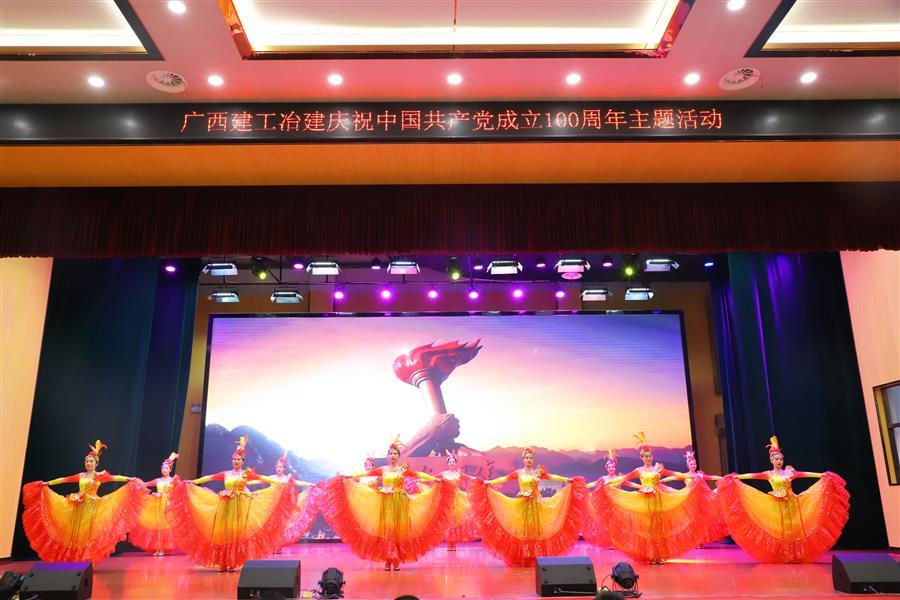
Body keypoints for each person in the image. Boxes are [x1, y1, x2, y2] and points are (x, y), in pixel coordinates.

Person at [320, 436, 452, 571]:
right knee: (387, 530)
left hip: (400, 501)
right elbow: (367, 474)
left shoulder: (403, 469)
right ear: (388, 456)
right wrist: (351, 476)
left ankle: (396, 559)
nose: (393, 455)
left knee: (398, 530)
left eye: (395, 453)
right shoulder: (382, 469)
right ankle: (388, 559)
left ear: (398, 456)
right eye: (391, 453)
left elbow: (418, 474)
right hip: (386, 502)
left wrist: (435, 479)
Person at [166, 435, 296, 571]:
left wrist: (282, 482)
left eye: (238, 459)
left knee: (236, 533)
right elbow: (209, 477)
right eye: (234, 459)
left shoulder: (246, 474)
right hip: (226, 504)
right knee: (224, 533)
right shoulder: (226, 473)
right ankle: (223, 562)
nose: (236, 461)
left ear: (243, 461)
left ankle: (232, 561)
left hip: (240, 506)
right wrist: (194, 481)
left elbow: (263, 478)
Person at [716, 436, 849, 563]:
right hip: (776, 506)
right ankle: (782, 555)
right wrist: (737, 477)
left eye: (780, 459)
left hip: (791, 504)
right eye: (776, 459)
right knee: (780, 531)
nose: (779, 461)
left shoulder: (789, 472)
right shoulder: (768, 474)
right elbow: (751, 476)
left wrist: (822, 475)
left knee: (793, 530)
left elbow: (805, 474)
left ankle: (795, 555)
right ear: (771, 460)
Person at [21, 440, 145, 563]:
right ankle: (72, 558)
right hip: (78, 506)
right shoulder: (81, 475)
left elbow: (115, 478)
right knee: (76, 532)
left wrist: (129, 479)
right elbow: (64, 480)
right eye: (86, 461)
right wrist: (47, 483)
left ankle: (85, 559)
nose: (88, 463)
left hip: (92, 508)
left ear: (96, 463)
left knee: (88, 533)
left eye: (91, 461)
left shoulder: (99, 476)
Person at [593, 433, 706, 564]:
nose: (649, 458)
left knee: (658, 528)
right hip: (644, 501)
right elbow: (623, 478)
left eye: (650, 456)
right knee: (648, 528)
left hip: (657, 499)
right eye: (646, 456)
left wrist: (693, 477)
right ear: (642, 457)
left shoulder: (658, 469)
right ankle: (650, 555)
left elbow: (675, 474)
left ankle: (659, 556)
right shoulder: (639, 470)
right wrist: (608, 482)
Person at [469, 446, 587, 566]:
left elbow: (552, 477)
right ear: (523, 459)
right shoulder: (518, 473)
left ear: (533, 460)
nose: (529, 460)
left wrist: (567, 480)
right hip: (522, 505)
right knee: (523, 530)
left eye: (531, 458)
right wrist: (489, 482)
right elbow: (504, 479)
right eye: (527, 458)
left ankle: (536, 555)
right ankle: (523, 555)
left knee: (536, 530)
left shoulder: (538, 472)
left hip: (536, 505)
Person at [661, 450, 727, 545]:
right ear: (688, 465)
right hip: (689, 500)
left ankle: (699, 540)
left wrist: (724, 478)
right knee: (690, 521)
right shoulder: (685, 475)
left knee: (699, 520)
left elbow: (712, 477)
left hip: (699, 500)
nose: (693, 465)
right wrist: (661, 481)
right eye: (691, 464)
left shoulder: (699, 475)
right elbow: (673, 477)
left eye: (694, 464)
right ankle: (692, 540)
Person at [583, 450, 639, 548]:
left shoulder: (619, 478)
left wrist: (641, 486)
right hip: (607, 504)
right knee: (608, 523)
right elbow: (594, 484)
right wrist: (583, 486)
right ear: (607, 468)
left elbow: (630, 484)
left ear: (615, 468)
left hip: (618, 502)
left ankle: (620, 542)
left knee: (619, 523)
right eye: (609, 467)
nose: (611, 468)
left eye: (613, 467)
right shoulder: (603, 478)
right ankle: (611, 542)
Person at [130, 452, 181, 556]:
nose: (164, 470)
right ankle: (158, 548)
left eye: (166, 468)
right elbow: (145, 484)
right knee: (158, 526)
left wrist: (166, 496)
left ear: (170, 470)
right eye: (163, 468)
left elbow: (180, 489)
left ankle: (162, 548)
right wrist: (136, 483)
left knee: (165, 526)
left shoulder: (173, 480)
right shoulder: (158, 480)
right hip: (157, 505)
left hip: (167, 505)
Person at [269, 452, 321, 551]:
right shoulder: (272, 478)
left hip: (283, 506)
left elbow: (297, 482)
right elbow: (261, 480)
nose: (279, 468)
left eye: (281, 467)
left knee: (281, 526)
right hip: (272, 505)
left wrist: (309, 484)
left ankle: (277, 545)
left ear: (284, 468)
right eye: (277, 467)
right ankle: (272, 545)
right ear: (275, 468)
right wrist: (250, 479)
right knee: (272, 525)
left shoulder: (287, 478)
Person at [439, 454, 478, 551]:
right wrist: (421, 479)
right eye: (450, 462)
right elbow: (433, 479)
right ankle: (449, 544)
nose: (452, 463)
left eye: (453, 462)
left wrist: (479, 480)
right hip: (447, 499)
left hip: (458, 499)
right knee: (448, 522)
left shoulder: (459, 474)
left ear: (455, 463)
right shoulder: (443, 474)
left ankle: (454, 544)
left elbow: (469, 478)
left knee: (455, 522)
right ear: (447, 463)